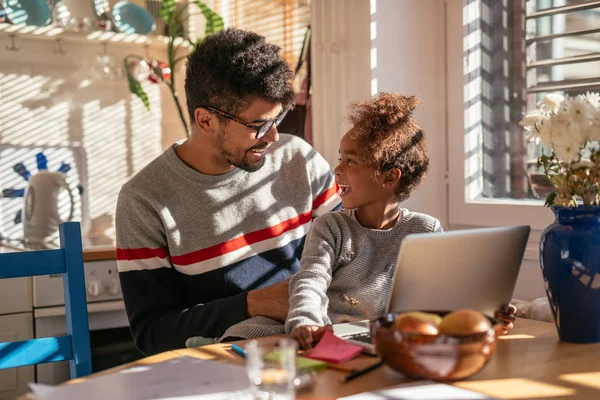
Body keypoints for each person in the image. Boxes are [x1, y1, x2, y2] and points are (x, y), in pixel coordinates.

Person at [115, 28, 341, 356]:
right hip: (219, 370)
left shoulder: (299, 161)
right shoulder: (144, 201)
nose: (275, 137)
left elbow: (352, 256)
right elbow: (152, 334)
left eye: (279, 119)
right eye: (259, 126)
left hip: (314, 351)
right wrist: (252, 304)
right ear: (206, 121)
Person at [285, 93, 515, 349]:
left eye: (351, 161)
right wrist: (305, 320)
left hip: (401, 340)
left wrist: (486, 318)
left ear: (390, 177)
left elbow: (440, 298)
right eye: (340, 158)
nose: (337, 170)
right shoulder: (330, 227)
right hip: (336, 337)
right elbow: (310, 280)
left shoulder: (425, 229)